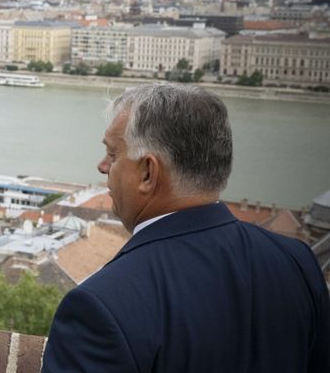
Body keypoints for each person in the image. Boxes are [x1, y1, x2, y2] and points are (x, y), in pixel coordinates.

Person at [42, 83, 329, 372]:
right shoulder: (296, 261)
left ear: (148, 173)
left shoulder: (103, 303)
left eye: (113, 155)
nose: (102, 166)